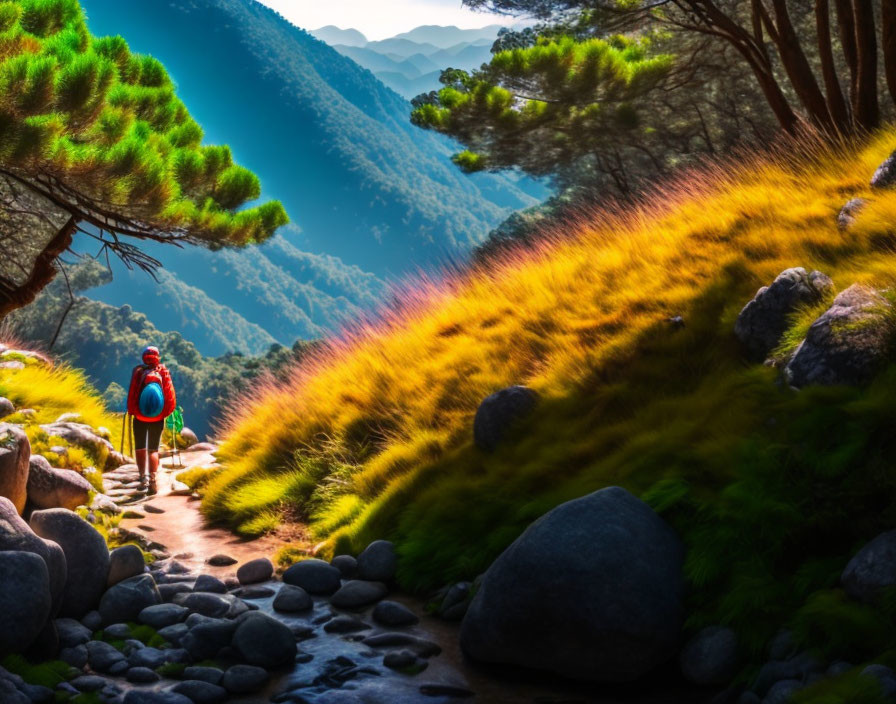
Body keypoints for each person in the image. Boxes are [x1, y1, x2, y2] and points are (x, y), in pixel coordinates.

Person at [126, 346, 176, 494]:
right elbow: (170, 395)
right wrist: (163, 413)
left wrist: (133, 411)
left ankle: (143, 478)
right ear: (157, 357)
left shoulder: (138, 371)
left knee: (140, 447)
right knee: (153, 449)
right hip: (158, 417)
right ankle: (153, 480)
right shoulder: (163, 371)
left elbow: (133, 392)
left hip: (140, 417)